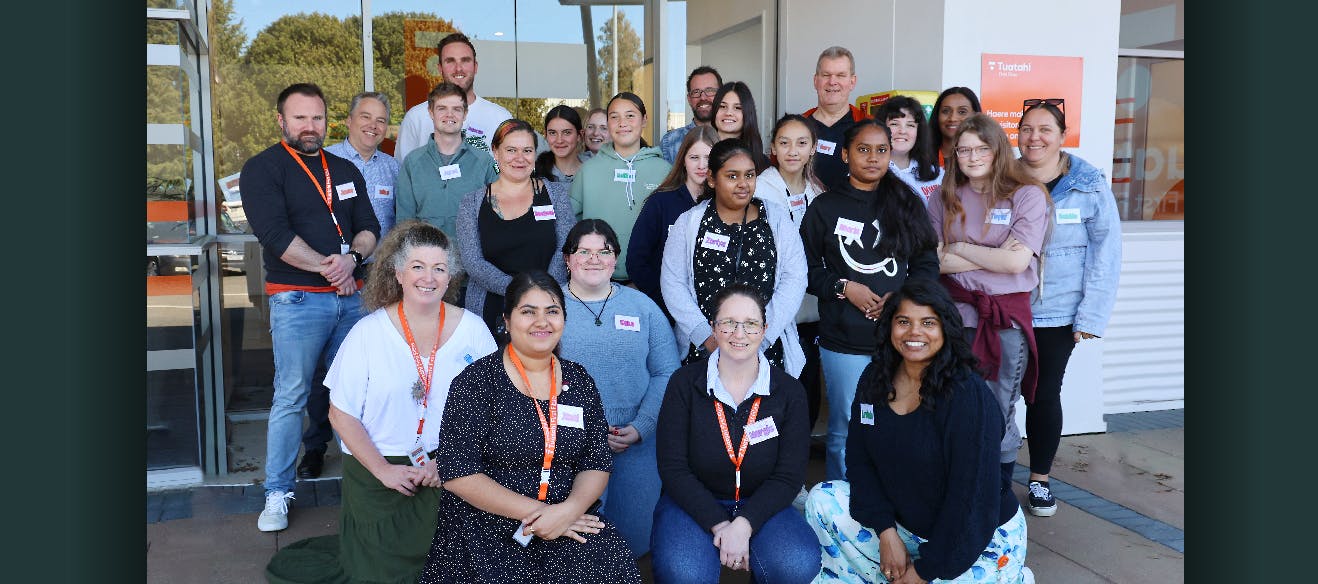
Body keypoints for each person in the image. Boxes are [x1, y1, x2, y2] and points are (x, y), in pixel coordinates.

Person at [264, 221, 498, 584]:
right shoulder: (368, 333)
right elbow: (340, 415)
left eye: (439, 268)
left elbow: (489, 410)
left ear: (450, 276)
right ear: (399, 273)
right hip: (379, 473)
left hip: (450, 472)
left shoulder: (474, 330)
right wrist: (383, 470)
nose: (429, 277)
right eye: (417, 266)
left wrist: (449, 461)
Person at [417, 271, 641, 583]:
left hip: (567, 518)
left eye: (552, 311)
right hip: (488, 524)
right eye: (528, 312)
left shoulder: (579, 381)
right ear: (506, 320)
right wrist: (541, 513)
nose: (542, 321)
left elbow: (597, 461)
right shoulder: (477, 382)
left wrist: (567, 511)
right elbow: (458, 472)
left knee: (610, 559)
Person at [805, 280, 1033, 584]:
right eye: (903, 322)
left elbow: (970, 499)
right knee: (822, 500)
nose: (914, 332)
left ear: (945, 329)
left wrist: (924, 572)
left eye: (928, 323)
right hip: (904, 526)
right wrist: (885, 532)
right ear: (889, 327)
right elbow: (860, 462)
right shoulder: (875, 378)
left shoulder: (966, 394)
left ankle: (1010, 575)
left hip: (978, 538)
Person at [241, 83, 381, 532]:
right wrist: (332, 268)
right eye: (299, 118)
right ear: (281, 121)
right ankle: (276, 493)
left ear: (328, 120)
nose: (309, 126)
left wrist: (353, 260)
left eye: (317, 118)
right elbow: (275, 236)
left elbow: (369, 226)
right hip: (298, 300)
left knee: (355, 398)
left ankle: (362, 490)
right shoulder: (263, 169)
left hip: (350, 301)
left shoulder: (341, 168)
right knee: (292, 396)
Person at [800, 118, 940, 482]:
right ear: (846, 155)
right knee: (845, 426)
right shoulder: (824, 207)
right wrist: (845, 288)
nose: (873, 158)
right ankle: (841, 510)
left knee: (896, 421)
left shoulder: (905, 201)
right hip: (842, 340)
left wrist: (903, 296)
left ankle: (889, 506)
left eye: (882, 150)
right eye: (863, 150)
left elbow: (926, 261)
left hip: (898, 339)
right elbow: (806, 269)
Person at [651, 284, 819, 583]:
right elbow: (673, 468)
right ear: (713, 327)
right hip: (693, 502)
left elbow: (789, 476)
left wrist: (744, 523)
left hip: (763, 502)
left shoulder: (790, 391)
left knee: (797, 564)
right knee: (683, 574)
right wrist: (719, 524)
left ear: (764, 329)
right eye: (728, 322)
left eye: (751, 324)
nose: (739, 334)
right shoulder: (684, 383)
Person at [928, 113, 1049, 498]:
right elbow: (934, 260)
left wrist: (960, 248)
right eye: (963, 149)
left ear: (998, 149)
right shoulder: (943, 197)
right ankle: (957, 488)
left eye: (981, 148)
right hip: (951, 318)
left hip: (1003, 321)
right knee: (950, 404)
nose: (972, 156)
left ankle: (996, 495)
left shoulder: (1027, 195)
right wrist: (991, 252)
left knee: (997, 408)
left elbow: (1016, 263)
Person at [1016, 99, 1122, 517]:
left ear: (1062, 136)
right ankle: (991, 471)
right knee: (998, 393)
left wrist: (1091, 316)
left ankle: (1039, 479)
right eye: (1026, 129)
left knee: (1043, 396)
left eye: (1045, 129)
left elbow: (1105, 253)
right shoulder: (1001, 178)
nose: (1034, 137)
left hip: (1058, 312)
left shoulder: (1089, 184)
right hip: (1005, 308)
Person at [289, 91, 400, 481]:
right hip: (333, 279)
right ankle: (316, 445)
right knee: (329, 370)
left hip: (380, 281)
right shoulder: (325, 163)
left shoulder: (393, 168)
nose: (373, 126)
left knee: (373, 368)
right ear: (348, 121)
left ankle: (364, 450)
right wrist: (337, 270)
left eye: (381, 120)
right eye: (365, 117)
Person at [558, 219, 681, 557]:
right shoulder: (549, 308)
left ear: (616, 259)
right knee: (575, 542)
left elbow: (666, 371)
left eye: (604, 251)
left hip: (636, 442)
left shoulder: (643, 307)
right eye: (584, 251)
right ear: (567, 259)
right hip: (569, 443)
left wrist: (642, 427)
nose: (594, 259)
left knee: (631, 541)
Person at [660, 139, 808, 376]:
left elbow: (795, 279)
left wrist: (762, 336)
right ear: (711, 178)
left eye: (749, 175)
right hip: (707, 350)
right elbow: (673, 283)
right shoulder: (689, 223)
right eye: (732, 176)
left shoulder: (776, 219)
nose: (743, 184)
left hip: (764, 350)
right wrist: (705, 337)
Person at [457, 119, 577, 337]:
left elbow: (566, 247)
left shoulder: (555, 195)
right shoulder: (471, 203)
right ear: (496, 152)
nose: (519, 158)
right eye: (511, 150)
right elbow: (472, 262)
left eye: (527, 150)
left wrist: (541, 293)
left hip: (546, 308)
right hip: (490, 310)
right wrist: (520, 292)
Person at [755, 113, 826, 427]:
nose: (792, 150)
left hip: (810, 310)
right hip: (771, 309)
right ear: (773, 147)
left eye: (801, 143)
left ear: (813, 148)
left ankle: (800, 458)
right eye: (784, 143)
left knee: (807, 385)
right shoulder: (759, 189)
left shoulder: (818, 192)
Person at [570, 92, 672, 283]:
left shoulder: (664, 171)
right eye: (614, 117)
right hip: (596, 279)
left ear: (644, 120)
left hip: (650, 281)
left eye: (630, 115)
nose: (622, 123)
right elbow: (570, 223)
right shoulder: (588, 170)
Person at [626, 126, 718, 317]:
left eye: (708, 158)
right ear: (683, 160)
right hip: (665, 310)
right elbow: (636, 260)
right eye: (694, 157)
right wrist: (664, 300)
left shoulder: (723, 204)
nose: (702, 165)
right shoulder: (660, 202)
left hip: (712, 313)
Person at [396, 82, 499, 240]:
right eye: (442, 108)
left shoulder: (484, 162)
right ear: (431, 112)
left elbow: (496, 215)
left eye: (456, 109)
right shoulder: (412, 163)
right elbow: (404, 223)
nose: (449, 115)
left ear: (465, 114)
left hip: (472, 258)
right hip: (426, 259)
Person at [394, 32, 512, 161]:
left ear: (475, 67)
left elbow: (508, 169)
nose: (458, 68)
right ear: (440, 68)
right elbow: (403, 171)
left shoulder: (500, 118)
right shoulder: (416, 117)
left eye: (465, 60)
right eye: (450, 61)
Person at [803, 46, 870, 192]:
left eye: (840, 75)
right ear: (815, 81)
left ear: (852, 82)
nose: (832, 82)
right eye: (826, 75)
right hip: (804, 213)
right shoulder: (797, 127)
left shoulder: (868, 126)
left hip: (854, 211)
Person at [874, 95, 943, 206]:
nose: (902, 131)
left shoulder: (936, 174)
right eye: (894, 124)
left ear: (919, 132)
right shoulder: (868, 172)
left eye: (910, 125)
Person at [660, 66, 723, 164]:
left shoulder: (733, 137)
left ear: (721, 95)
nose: (703, 97)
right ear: (689, 99)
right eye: (696, 92)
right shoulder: (670, 142)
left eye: (710, 90)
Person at [710, 81, 770, 172]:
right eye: (722, 106)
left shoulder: (762, 162)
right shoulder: (698, 153)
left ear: (748, 114)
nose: (728, 113)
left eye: (737, 108)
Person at [930, 87, 981, 166]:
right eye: (946, 111)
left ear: (975, 116)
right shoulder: (920, 158)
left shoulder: (986, 159)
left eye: (962, 112)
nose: (952, 118)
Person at [535, 105, 584, 184]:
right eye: (553, 133)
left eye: (567, 132)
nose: (559, 140)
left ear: (579, 135)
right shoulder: (535, 175)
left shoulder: (594, 171)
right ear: (546, 135)